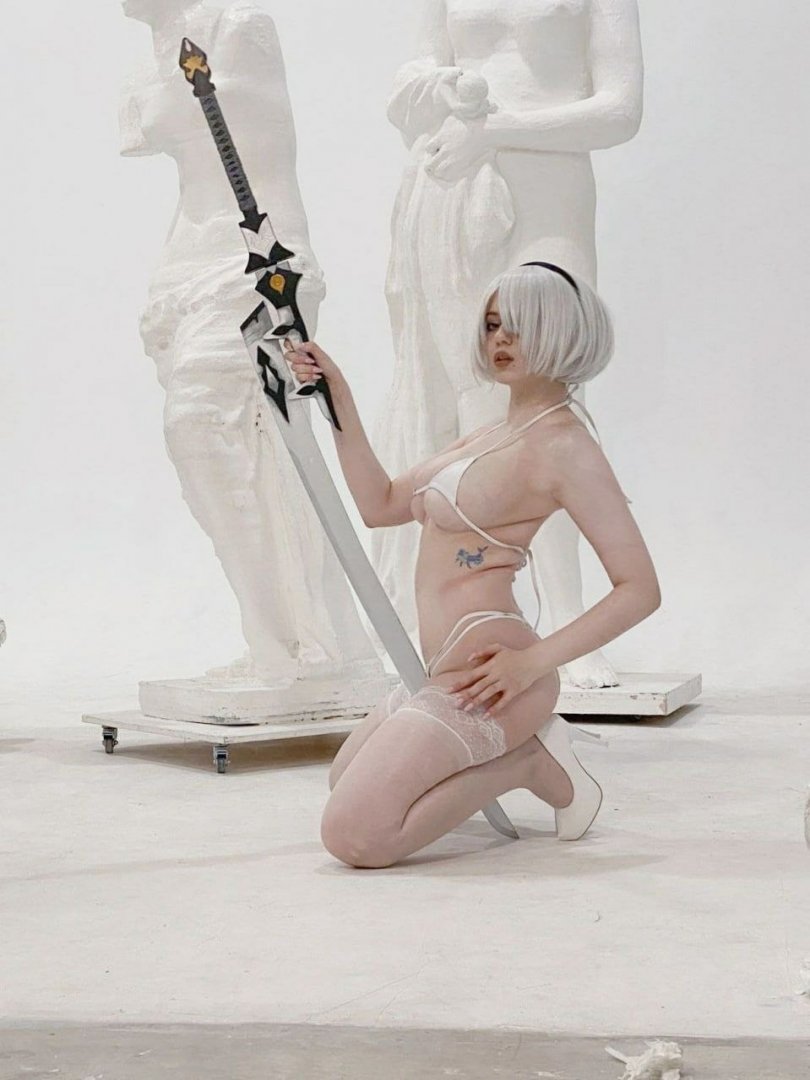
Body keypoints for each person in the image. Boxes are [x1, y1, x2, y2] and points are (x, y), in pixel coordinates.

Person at [289, 264, 660, 869]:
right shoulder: (494, 433)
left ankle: (527, 763)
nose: (501, 339)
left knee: (356, 835)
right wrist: (339, 395)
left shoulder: (567, 448)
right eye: (492, 325)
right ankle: (524, 754)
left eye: (521, 326)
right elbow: (380, 505)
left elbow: (639, 589)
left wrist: (532, 664)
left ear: (563, 331)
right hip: (440, 669)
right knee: (345, 783)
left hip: (494, 676)